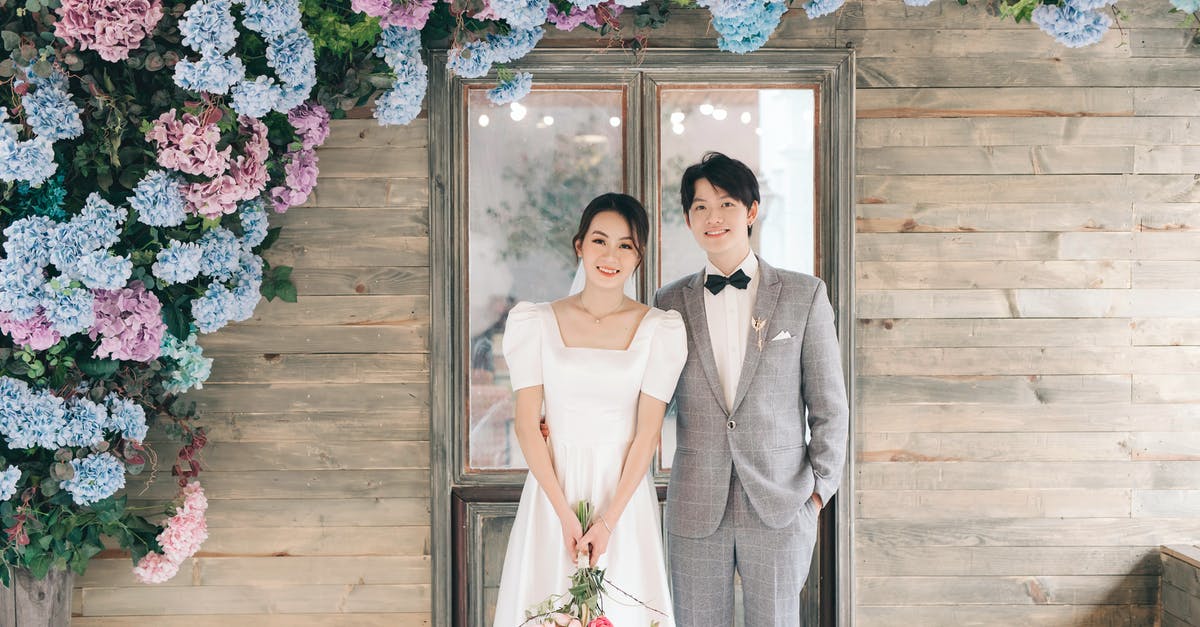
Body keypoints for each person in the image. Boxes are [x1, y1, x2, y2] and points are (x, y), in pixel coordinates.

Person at [655, 152, 849, 626]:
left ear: (751, 210)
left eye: (725, 203)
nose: (713, 217)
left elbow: (829, 406)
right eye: (700, 207)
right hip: (696, 507)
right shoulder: (668, 303)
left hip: (782, 505)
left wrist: (818, 493)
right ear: (688, 219)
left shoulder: (805, 295)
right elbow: (650, 400)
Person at [492, 193, 687, 626]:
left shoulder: (660, 329)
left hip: (622, 496)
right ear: (579, 245)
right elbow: (527, 426)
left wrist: (608, 522)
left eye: (626, 245)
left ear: (638, 257)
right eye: (600, 240)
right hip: (552, 492)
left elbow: (647, 435)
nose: (611, 255)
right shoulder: (536, 322)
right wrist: (565, 516)